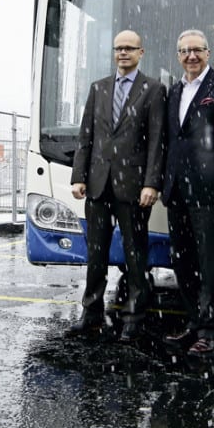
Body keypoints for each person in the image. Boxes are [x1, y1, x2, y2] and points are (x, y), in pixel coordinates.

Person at [67, 29, 167, 342]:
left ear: (141, 52)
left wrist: (152, 183)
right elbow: (87, 136)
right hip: (97, 185)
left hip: (134, 188)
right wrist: (78, 175)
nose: (122, 53)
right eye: (118, 48)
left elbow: (157, 142)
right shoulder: (98, 88)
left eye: (129, 48)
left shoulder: (153, 89)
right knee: (95, 254)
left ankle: (135, 316)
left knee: (135, 254)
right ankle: (91, 312)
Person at [161, 29, 214, 358]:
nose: (191, 56)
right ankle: (194, 321)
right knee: (182, 259)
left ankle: (212, 330)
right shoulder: (175, 91)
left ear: (208, 53)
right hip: (177, 190)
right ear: (178, 55)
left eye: (197, 50)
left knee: (210, 260)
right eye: (184, 51)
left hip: (210, 190)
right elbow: (173, 139)